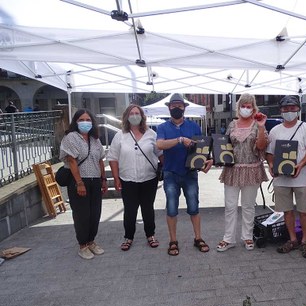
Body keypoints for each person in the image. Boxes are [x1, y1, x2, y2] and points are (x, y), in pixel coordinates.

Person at [156, 93, 213, 256]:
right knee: (172, 209)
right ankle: (173, 241)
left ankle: (198, 238)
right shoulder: (162, 127)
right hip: (170, 173)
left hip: (190, 173)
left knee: (194, 207)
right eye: (173, 106)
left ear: (184, 108)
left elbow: (202, 150)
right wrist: (180, 139)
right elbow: (159, 144)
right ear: (169, 108)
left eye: (180, 106)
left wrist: (207, 161)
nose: (176, 109)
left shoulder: (194, 127)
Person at [265, 95, 306, 258]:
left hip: (301, 177)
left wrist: (300, 165)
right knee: (286, 211)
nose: (289, 111)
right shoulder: (275, 130)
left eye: (292, 108)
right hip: (281, 178)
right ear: (280, 110)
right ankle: (293, 239)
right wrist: (272, 165)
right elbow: (269, 153)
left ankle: (305, 241)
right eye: (285, 108)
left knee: (304, 211)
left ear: (298, 109)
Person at [216, 93, 269, 252]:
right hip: (232, 170)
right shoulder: (232, 124)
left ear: (254, 108)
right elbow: (224, 145)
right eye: (243, 106)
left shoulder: (258, 124)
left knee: (248, 206)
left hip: (251, 170)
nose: (246, 109)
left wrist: (260, 127)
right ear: (238, 107)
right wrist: (216, 158)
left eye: (249, 106)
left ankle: (247, 236)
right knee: (230, 205)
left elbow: (261, 146)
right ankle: (228, 238)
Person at [107, 104, 163, 251]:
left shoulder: (151, 134)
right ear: (126, 116)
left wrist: (168, 170)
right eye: (131, 113)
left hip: (149, 179)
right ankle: (128, 237)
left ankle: (150, 235)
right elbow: (112, 158)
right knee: (130, 210)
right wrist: (116, 178)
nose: (134, 115)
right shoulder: (120, 135)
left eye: (137, 113)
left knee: (148, 209)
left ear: (142, 116)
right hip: (128, 179)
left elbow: (160, 153)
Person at [59, 109, 108, 259]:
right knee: (82, 214)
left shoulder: (95, 139)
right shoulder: (71, 137)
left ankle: (91, 241)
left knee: (95, 213)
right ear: (76, 121)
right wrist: (79, 182)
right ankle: (82, 245)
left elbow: (100, 160)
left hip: (94, 179)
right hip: (79, 180)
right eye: (81, 119)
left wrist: (104, 179)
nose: (85, 122)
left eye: (88, 119)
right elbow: (72, 160)